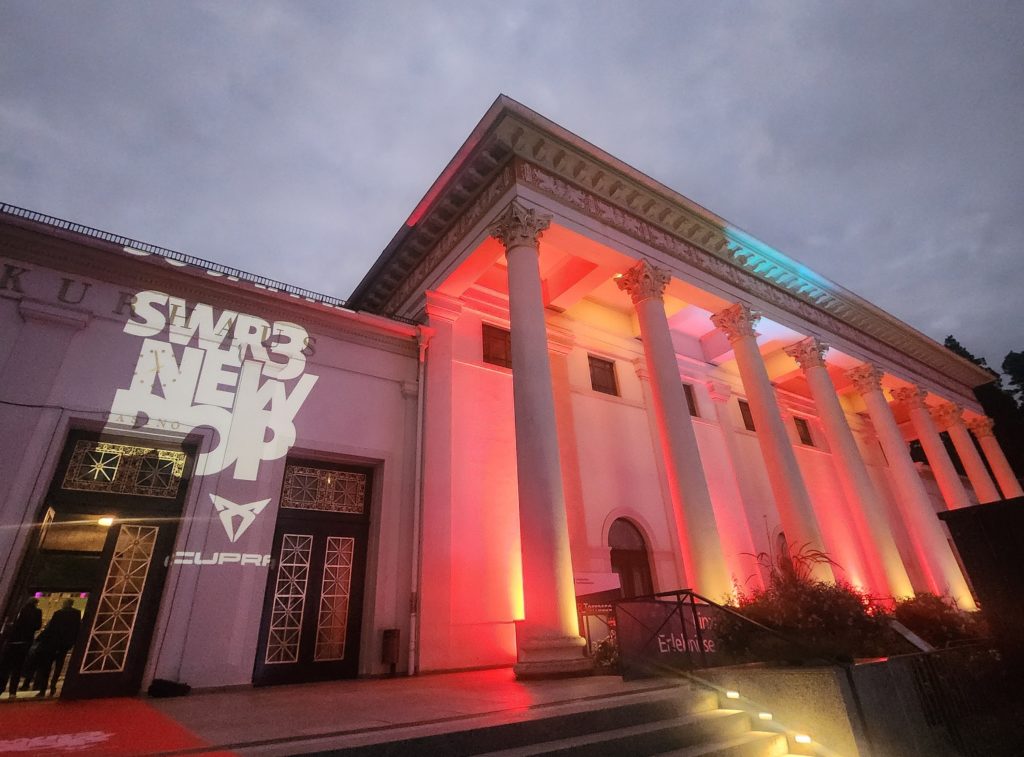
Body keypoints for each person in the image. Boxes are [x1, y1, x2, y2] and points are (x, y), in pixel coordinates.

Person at [33, 599, 81, 697]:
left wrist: (40, 639)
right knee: (59, 665)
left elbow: (51, 628)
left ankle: (43, 688)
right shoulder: (76, 614)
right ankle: (53, 685)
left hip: (53, 643)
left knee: (47, 666)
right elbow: (76, 628)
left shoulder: (58, 613)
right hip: (65, 644)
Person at [0, 598, 42, 698]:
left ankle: (1, 688)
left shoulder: (18, 609)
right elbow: (37, 626)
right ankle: (12, 692)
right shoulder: (37, 612)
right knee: (17, 668)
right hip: (25, 642)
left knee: (5, 667)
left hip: (13, 641)